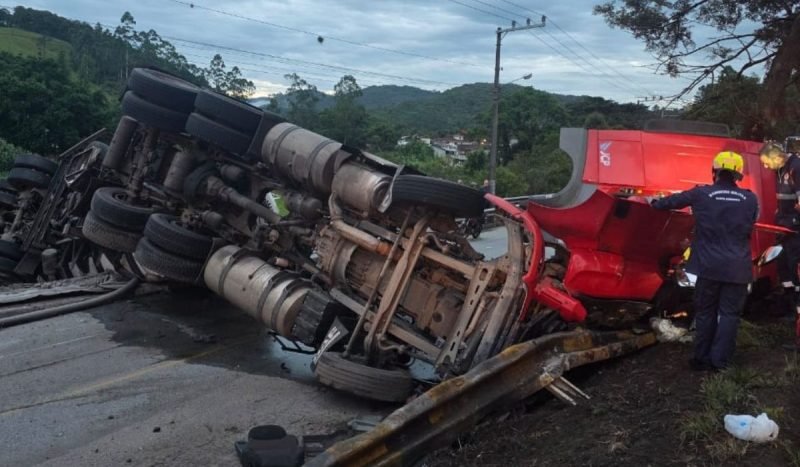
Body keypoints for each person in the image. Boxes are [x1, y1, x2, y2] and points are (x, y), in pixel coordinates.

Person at [651, 151, 759, 370]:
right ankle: (720, 362)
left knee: (706, 312)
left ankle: (700, 359)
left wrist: (653, 201)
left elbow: (667, 203)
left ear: (715, 172)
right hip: (738, 268)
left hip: (708, 267)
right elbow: (751, 222)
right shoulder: (750, 198)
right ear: (738, 175)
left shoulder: (701, 194)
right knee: (729, 315)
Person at [759, 138, 800, 351]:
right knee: (784, 269)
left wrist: (793, 224)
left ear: (777, 156)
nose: (766, 167)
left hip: (795, 231)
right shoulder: (782, 170)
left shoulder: (796, 168)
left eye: (767, 162)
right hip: (785, 230)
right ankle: (789, 306)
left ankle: (796, 313)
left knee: (795, 271)